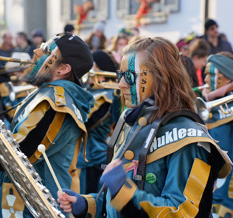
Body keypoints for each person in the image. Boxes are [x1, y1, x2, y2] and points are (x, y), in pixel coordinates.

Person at [57, 37, 231, 217]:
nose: (121, 84)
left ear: (160, 77)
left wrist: (123, 191)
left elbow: (182, 212)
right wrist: (86, 204)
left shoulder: (190, 138)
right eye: (120, 75)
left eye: (130, 76)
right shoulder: (132, 123)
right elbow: (113, 202)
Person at [0, 32, 94, 217]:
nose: (37, 51)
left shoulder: (55, 105)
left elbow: (14, 158)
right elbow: (24, 167)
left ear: (62, 69)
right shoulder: (45, 96)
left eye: (47, 49)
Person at [77, 50, 118, 194]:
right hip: (86, 153)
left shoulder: (107, 94)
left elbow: (83, 122)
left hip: (95, 154)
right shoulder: (91, 89)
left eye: (92, 66)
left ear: (100, 68)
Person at [201, 52, 233, 217]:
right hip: (209, 188)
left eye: (211, 74)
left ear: (228, 77)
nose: (205, 79)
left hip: (227, 195)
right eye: (205, 73)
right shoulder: (207, 104)